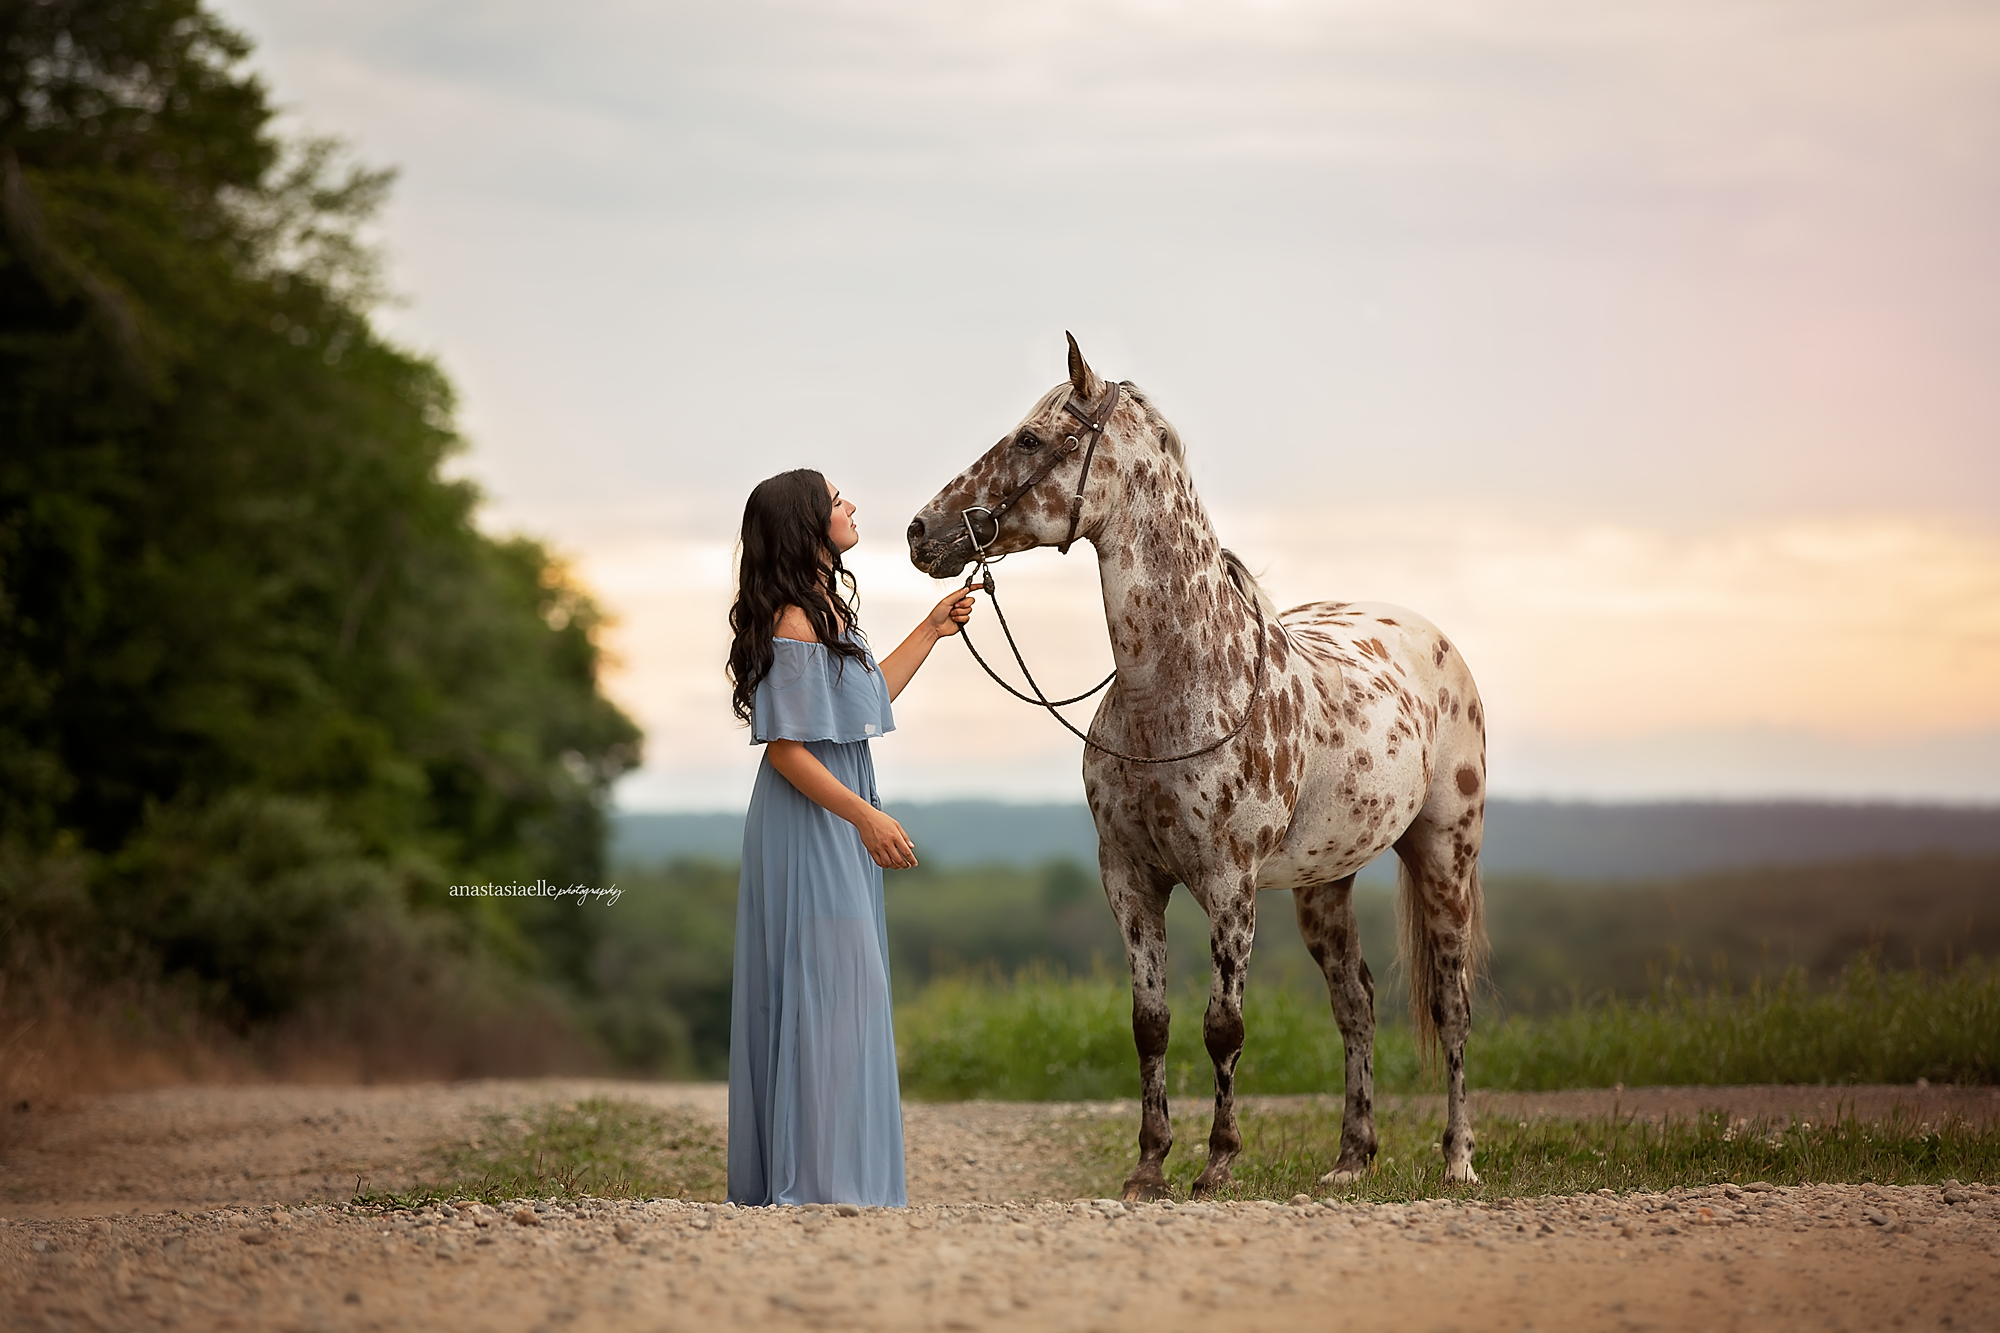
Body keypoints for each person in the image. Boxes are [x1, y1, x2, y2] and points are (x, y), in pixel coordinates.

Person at [724, 468, 974, 1207]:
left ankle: (838, 1177)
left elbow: (862, 704)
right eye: (837, 499)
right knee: (831, 988)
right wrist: (864, 815)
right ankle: (824, 1181)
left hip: (833, 810)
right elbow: (786, 747)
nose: (852, 505)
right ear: (808, 522)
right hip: (814, 817)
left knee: (842, 993)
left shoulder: (824, 610)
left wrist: (930, 628)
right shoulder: (796, 622)